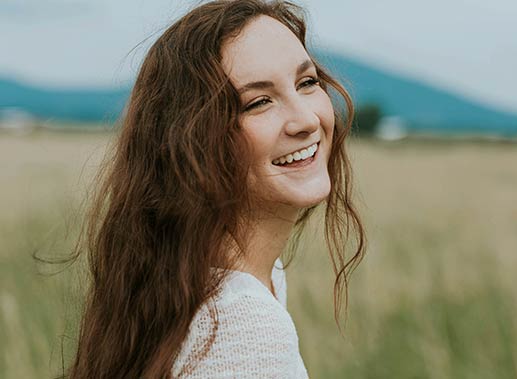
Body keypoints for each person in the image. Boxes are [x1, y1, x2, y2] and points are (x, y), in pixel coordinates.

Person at [67, 0, 366, 378]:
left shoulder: (198, 278)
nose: (306, 120)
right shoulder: (245, 326)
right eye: (259, 102)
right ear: (193, 142)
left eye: (307, 82)